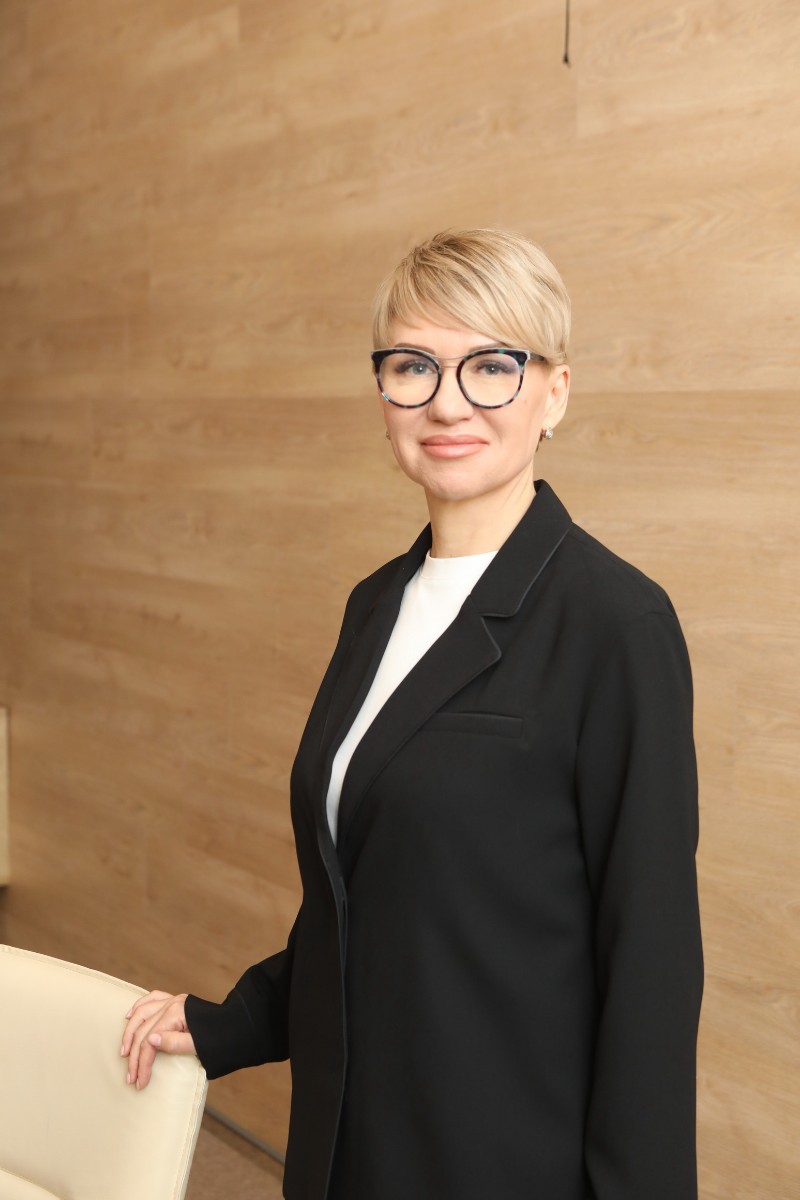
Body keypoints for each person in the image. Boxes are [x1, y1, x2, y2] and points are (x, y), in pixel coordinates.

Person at [121, 229, 703, 1200]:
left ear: (554, 392)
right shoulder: (376, 605)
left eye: (491, 367)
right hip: (348, 1148)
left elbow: (650, 964)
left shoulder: (615, 624)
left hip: (498, 1161)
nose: (447, 403)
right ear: (383, 391)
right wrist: (233, 1021)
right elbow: (372, 901)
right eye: (413, 366)